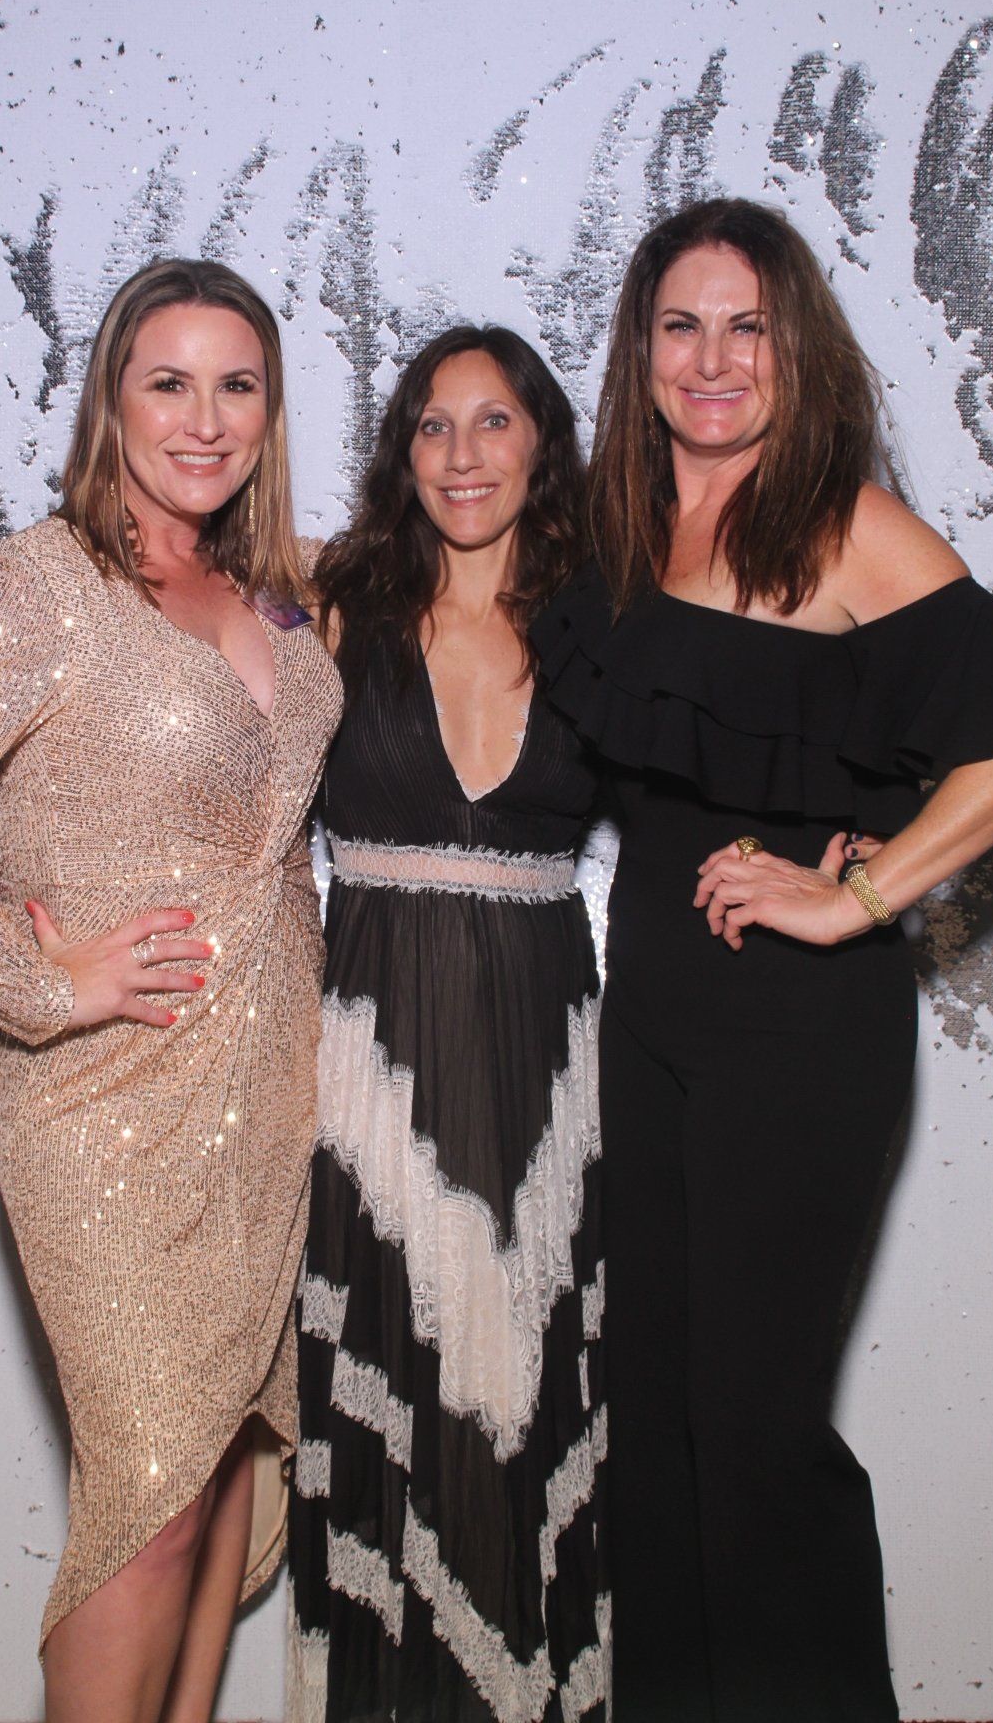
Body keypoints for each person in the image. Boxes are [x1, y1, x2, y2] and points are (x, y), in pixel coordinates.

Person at [0, 258, 342, 1723]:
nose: (205, 419)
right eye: (167, 382)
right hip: (112, 1103)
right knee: (150, 1494)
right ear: (112, 399)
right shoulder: (37, 584)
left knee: (232, 1456)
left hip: (272, 1090)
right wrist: (36, 976)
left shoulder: (278, 595)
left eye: (237, 386)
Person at [532, 197, 993, 1723]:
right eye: (682, 325)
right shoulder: (617, 535)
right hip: (651, 1016)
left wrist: (863, 896)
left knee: (753, 1435)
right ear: (641, 350)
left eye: (749, 325)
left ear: (796, 348)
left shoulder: (845, 527)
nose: (714, 357)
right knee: (652, 1430)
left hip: (801, 1036)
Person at [288, 327, 610, 1722]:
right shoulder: (329, 606)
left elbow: (723, 764)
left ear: (542, 443)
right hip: (371, 1068)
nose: (463, 454)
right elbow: (193, 748)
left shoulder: (605, 623)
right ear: (401, 452)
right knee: (396, 1387)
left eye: (493, 421)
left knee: (527, 1393)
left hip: (546, 1064)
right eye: (432, 424)